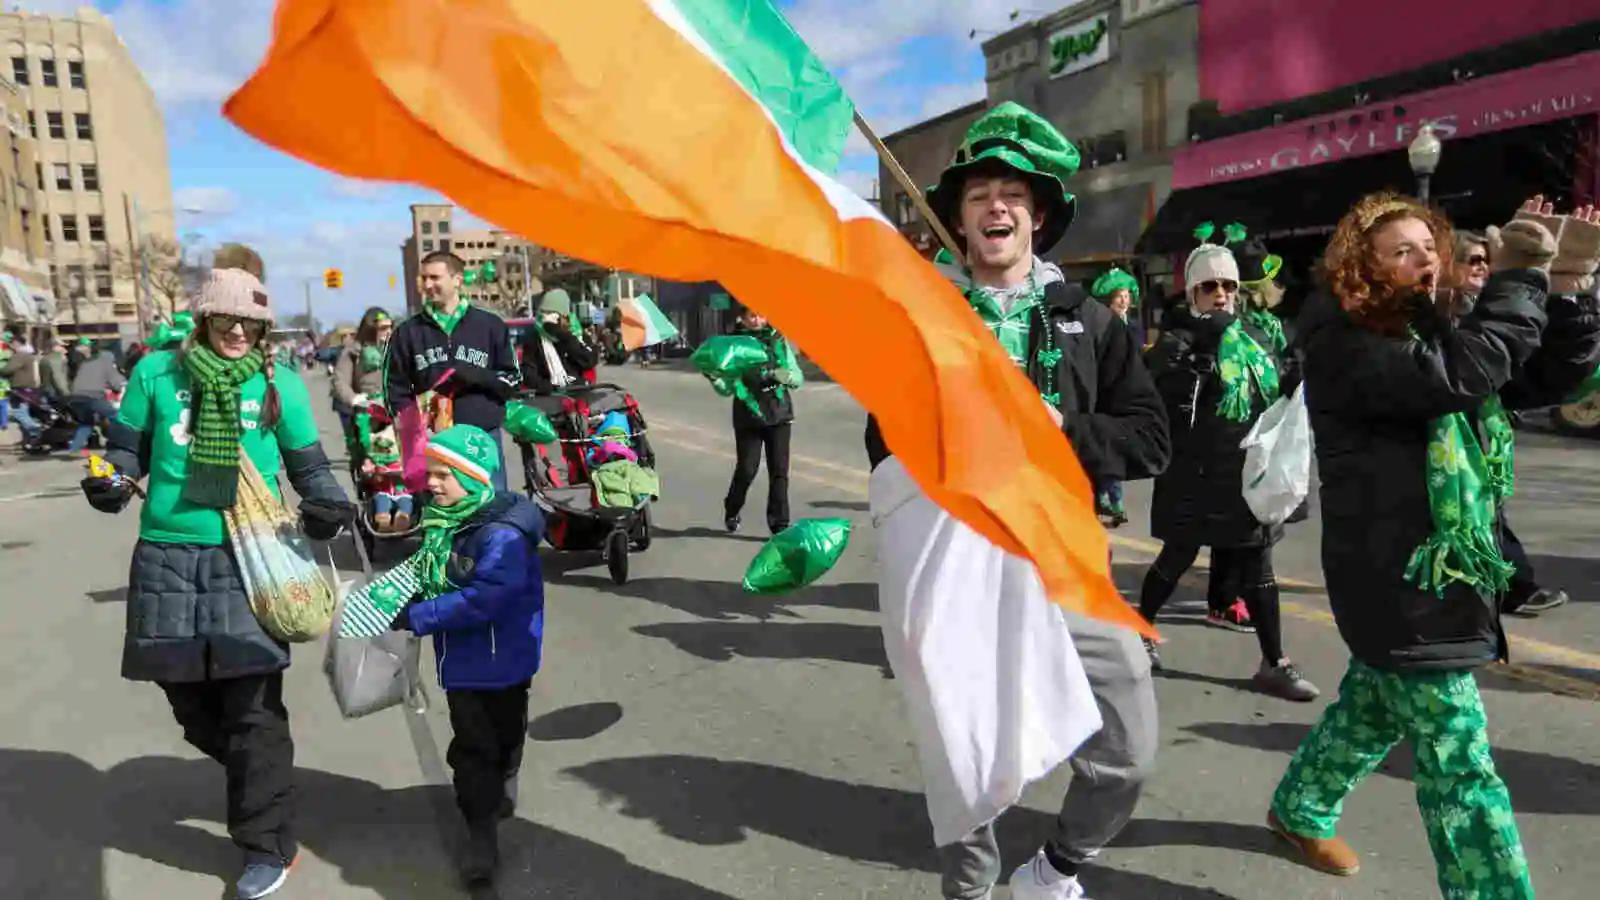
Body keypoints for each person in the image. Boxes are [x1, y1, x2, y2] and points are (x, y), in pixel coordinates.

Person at [866, 102, 1169, 900]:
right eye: (977, 195)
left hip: (1066, 559)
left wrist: (1058, 428)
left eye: (1011, 194)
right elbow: (881, 448)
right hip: (956, 560)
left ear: (1036, 216)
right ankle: (970, 891)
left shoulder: (1089, 321)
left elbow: (1150, 439)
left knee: (1128, 750)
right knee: (961, 751)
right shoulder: (925, 322)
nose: (995, 206)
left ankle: (1053, 871)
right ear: (960, 221)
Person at [1265, 193, 1600, 899]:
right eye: (1402, 252)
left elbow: (1539, 376)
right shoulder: (1341, 338)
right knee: (1461, 763)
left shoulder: (1436, 323)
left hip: (1442, 577)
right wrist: (1519, 280)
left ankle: (1299, 808)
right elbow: (1460, 374)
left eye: (1430, 247)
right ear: (1363, 268)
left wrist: (1565, 287)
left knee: (1372, 709)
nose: (1425, 262)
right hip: (1398, 581)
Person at [78, 268, 352, 900]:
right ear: (202, 320)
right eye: (227, 320)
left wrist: (328, 507)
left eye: (251, 323)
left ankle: (266, 842)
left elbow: (310, 468)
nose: (238, 331)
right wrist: (108, 480)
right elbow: (123, 451)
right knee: (188, 703)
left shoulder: (278, 383)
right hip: (167, 556)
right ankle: (268, 782)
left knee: (252, 710)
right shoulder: (156, 375)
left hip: (249, 557)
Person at [1135, 225, 1317, 701]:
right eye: (1209, 286)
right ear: (1192, 291)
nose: (1221, 295)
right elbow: (1163, 406)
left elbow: (1278, 388)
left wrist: (1294, 375)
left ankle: (1274, 662)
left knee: (1259, 570)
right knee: (1175, 560)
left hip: (1245, 477)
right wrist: (1192, 361)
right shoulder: (1173, 342)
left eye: (1229, 286)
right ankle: (1138, 631)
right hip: (1194, 476)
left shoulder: (1257, 336)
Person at [389, 424, 545, 886]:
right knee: (473, 748)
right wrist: (393, 597)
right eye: (430, 473)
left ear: (475, 478)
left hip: (506, 656)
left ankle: (507, 769)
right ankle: (481, 836)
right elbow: (431, 573)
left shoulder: (502, 535)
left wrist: (419, 615)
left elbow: (486, 598)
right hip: (464, 664)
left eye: (443, 474)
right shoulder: (446, 523)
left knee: (505, 732)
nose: (431, 483)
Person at [385, 251, 522, 492]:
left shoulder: (490, 325)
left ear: (457, 280)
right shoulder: (406, 333)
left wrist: (475, 376)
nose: (427, 285)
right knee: (442, 515)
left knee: (492, 507)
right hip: (434, 441)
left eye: (435, 278)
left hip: (481, 436)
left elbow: (513, 379)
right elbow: (395, 388)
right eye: (423, 278)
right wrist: (411, 423)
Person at [723, 304, 802, 535]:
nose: (757, 320)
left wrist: (788, 377)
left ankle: (779, 524)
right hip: (749, 415)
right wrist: (716, 377)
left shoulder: (778, 339)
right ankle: (732, 507)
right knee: (747, 469)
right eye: (752, 315)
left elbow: (797, 376)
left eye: (761, 314)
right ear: (742, 318)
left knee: (779, 472)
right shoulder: (734, 345)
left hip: (779, 414)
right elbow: (727, 387)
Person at [1087, 267, 1142, 526]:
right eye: (1119, 295)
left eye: (1127, 295)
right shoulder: (1099, 324)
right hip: (1102, 393)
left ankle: (1109, 499)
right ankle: (1109, 499)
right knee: (1106, 448)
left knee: (1116, 449)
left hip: (1126, 394)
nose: (1124, 300)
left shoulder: (1134, 327)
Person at [519, 288, 597, 394]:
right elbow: (528, 371)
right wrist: (545, 386)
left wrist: (564, 336)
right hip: (551, 397)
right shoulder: (534, 338)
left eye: (551, 313)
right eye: (544, 312)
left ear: (562, 315)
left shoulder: (577, 334)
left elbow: (588, 360)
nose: (545, 317)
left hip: (577, 392)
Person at [64, 341, 125, 455]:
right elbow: (116, 382)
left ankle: (74, 448)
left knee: (86, 423)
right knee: (115, 416)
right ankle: (121, 442)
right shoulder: (106, 363)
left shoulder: (86, 363)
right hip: (93, 396)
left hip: (76, 397)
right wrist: (118, 389)